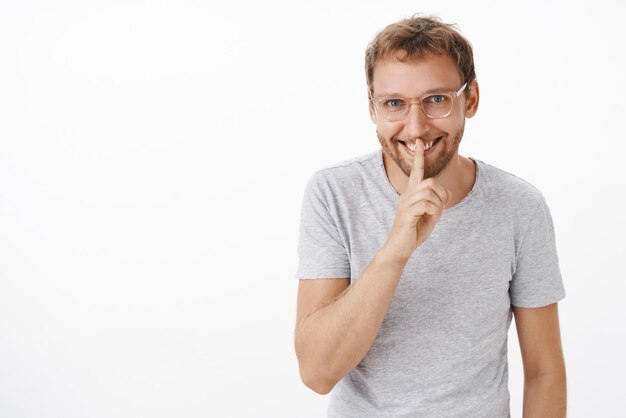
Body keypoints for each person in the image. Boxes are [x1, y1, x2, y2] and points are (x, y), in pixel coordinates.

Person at [293, 15, 566, 417]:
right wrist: (395, 252)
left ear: (469, 99)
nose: (416, 127)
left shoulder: (519, 207)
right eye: (394, 104)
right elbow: (317, 373)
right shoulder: (334, 194)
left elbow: (544, 371)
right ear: (373, 107)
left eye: (437, 99)